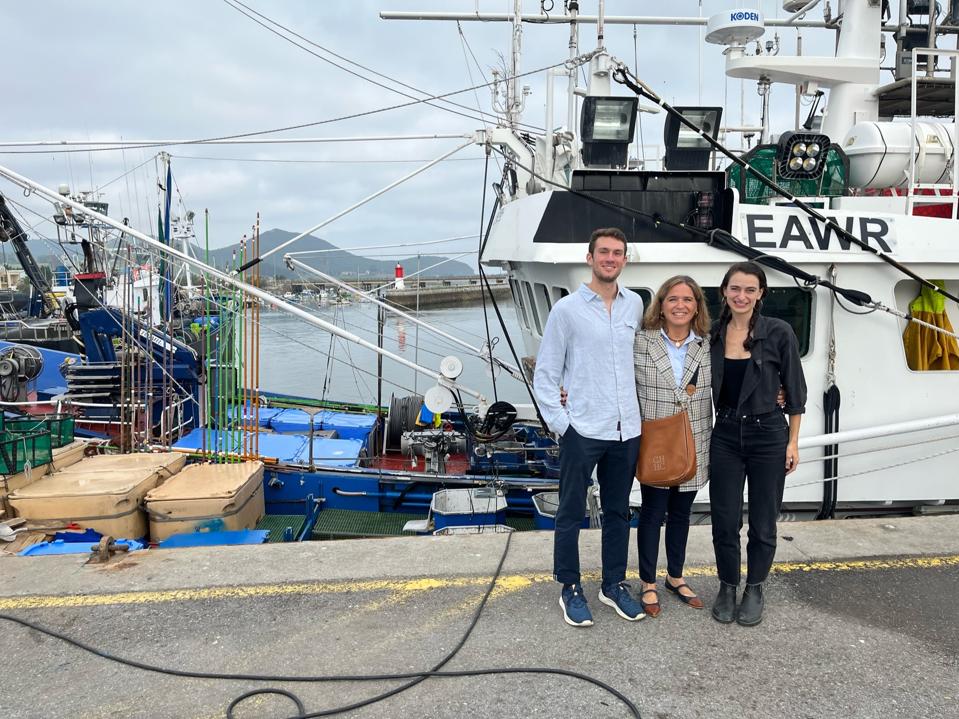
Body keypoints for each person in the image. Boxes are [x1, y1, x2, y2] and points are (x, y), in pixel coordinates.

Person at [533, 227, 645, 627]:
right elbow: (545, 375)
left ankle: (613, 584)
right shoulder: (567, 310)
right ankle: (570, 587)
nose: (610, 259)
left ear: (625, 260)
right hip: (583, 429)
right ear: (590, 257)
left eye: (617, 253)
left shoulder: (635, 305)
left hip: (626, 431)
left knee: (618, 512)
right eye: (604, 252)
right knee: (570, 512)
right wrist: (564, 426)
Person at [709, 261, 807, 627]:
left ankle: (755, 587)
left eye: (750, 289)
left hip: (768, 433)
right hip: (726, 434)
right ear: (724, 292)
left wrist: (792, 442)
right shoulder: (713, 335)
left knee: (763, 521)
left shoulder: (778, 332)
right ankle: (727, 585)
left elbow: (795, 392)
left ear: (761, 294)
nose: (741, 296)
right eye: (735, 288)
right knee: (724, 518)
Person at [633, 276, 713, 617]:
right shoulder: (640, 342)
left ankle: (675, 576)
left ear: (697, 306)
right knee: (652, 512)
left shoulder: (708, 345)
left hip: (695, 440)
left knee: (682, 514)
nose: (680, 305)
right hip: (657, 441)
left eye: (688, 299)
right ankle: (648, 581)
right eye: (673, 299)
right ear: (661, 305)